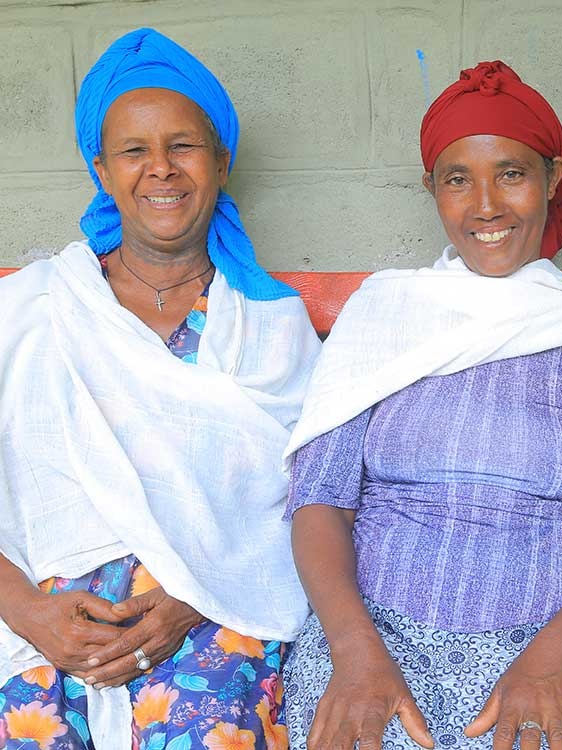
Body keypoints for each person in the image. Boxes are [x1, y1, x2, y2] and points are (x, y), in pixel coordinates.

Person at [281, 61, 562, 750]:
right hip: (372, 634)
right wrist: (354, 649)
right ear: (433, 189)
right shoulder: (383, 314)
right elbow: (317, 501)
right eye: (459, 179)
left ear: (552, 177)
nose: (486, 205)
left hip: (549, 640)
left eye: (511, 173)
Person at [0, 28, 320, 750]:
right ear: (101, 169)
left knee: (216, 722)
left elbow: (306, 503)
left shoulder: (270, 327)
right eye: (133, 152)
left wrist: (191, 596)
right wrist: (28, 612)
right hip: (39, 624)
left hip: (210, 614)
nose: (161, 170)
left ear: (221, 161)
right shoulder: (34, 309)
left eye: (183, 145)